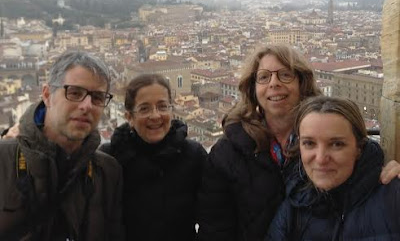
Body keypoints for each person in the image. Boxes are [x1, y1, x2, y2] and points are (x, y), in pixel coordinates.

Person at [197, 44, 400, 241]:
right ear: (253, 89)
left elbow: (366, 166)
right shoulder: (226, 154)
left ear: (302, 83)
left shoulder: (355, 151)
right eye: (264, 77)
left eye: (285, 75)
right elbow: (215, 230)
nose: (274, 83)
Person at [0, 51, 125, 240]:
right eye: (75, 93)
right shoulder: (4, 161)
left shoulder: (108, 172)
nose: (87, 106)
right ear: (47, 95)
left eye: (98, 97)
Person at [266, 95, 400, 240]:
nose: (321, 159)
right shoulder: (294, 205)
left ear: (358, 149)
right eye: (309, 143)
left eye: (337, 144)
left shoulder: (393, 198)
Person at [101, 73, 207, 241]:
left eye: (162, 106)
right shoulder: (109, 160)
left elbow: (214, 216)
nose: (155, 115)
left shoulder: (193, 155)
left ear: (172, 111)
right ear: (129, 117)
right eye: (144, 108)